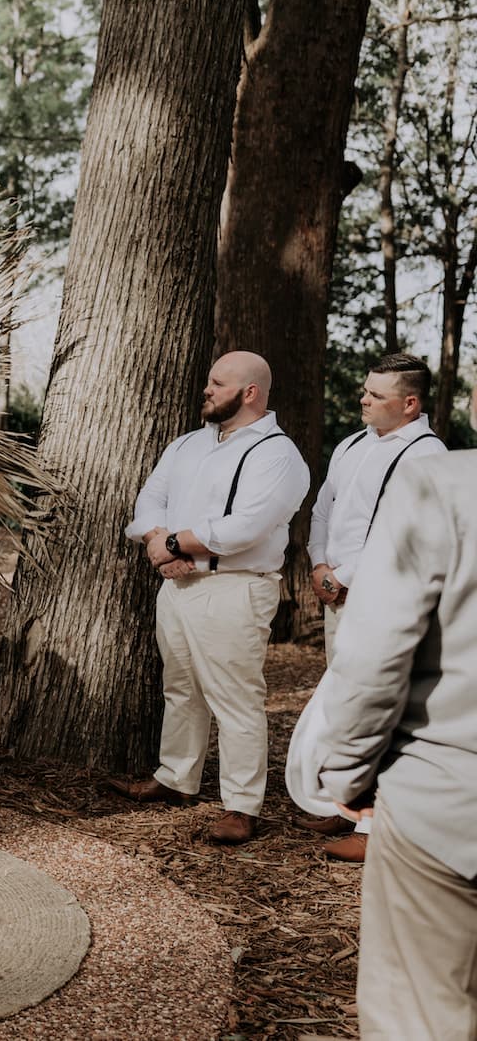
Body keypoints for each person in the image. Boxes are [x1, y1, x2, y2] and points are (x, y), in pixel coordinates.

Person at [288, 388, 477, 1040]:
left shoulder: (441, 479)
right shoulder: (356, 451)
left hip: (448, 805)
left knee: (420, 1016)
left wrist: (345, 777)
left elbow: (375, 659)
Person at [110, 350, 310, 844]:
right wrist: (159, 543)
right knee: (180, 688)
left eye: (218, 383)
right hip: (176, 584)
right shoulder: (186, 445)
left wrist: (176, 544)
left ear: (250, 393)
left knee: (236, 699)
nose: (207, 389)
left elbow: (249, 526)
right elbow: (150, 498)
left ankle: (243, 806)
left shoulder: (278, 454)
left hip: (233, 588)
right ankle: (177, 777)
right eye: (209, 380)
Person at [301, 353, 445, 861]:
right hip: (335, 594)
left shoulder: (428, 455)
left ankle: (374, 829)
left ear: (409, 404)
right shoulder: (352, 444)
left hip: (385, 599)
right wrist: (320, 565)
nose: (363, 399)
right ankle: (346, 806)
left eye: (376, 395)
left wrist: (347, 576)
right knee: (344, 702)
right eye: (364, 390)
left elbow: (404, 532)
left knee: (379, 707)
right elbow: (324, 508)